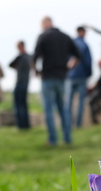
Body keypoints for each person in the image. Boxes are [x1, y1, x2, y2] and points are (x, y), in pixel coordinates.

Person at [33, 16, 81, 146]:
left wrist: (36, 71)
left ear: (44, 24)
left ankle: (53, 140)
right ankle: (67, 138)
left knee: (48, 109)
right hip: (62, 77)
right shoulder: (65, 36)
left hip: (47, 77)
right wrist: (69, 66)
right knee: (63, 109)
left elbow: (34, 57)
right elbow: (78, 55)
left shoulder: (43, 36)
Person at [66, 26, 93, 128]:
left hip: (70, 76)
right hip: (81, 76)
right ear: (82, 32)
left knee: (68, 102)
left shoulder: (70, 43)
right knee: (81, 102)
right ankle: (78, 124)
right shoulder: (85, 45)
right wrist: (89, 74)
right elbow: (88, 62)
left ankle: (68, 124)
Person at [9, 40, 31, 130]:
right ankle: (26, 125)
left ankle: (20, 125)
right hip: (26, 82)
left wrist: (17, 68)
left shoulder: (20, 56)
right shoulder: (30, 56)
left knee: (18, 105)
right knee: (24, 104)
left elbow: (10, 64)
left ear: (20, 46)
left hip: (20, 82)